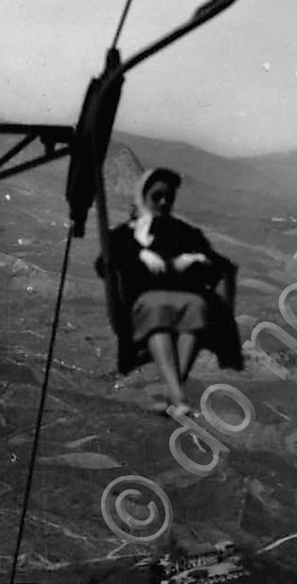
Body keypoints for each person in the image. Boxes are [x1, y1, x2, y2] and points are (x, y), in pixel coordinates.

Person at [99, 166, 243, 417]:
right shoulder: (123, 235)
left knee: (195, 308)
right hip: (140, 302)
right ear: (142, 199)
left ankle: (173, 394)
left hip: (179, 298)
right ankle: (177, 397)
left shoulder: (181, 232)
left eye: (168, 197)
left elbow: (216, 263)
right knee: (158, 309)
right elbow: (106, 263)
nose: (164, 202)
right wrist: (140, 254)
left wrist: (193, 257)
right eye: (157, 197)